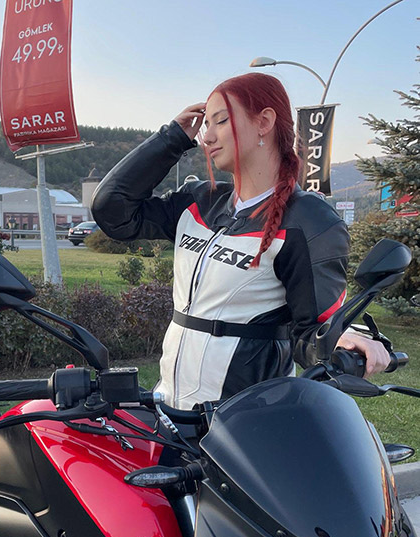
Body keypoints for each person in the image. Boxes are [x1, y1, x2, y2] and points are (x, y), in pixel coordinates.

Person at [92, 72, 389, 410]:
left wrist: (340, 341)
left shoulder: (309, 220)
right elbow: (112, 210)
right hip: (170, 410)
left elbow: (312, 333)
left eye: (221, 121)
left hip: (245, 420)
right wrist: (172, 138)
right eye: (206, 125)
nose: (207, 137)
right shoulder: (198, 201)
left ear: (264, 122)